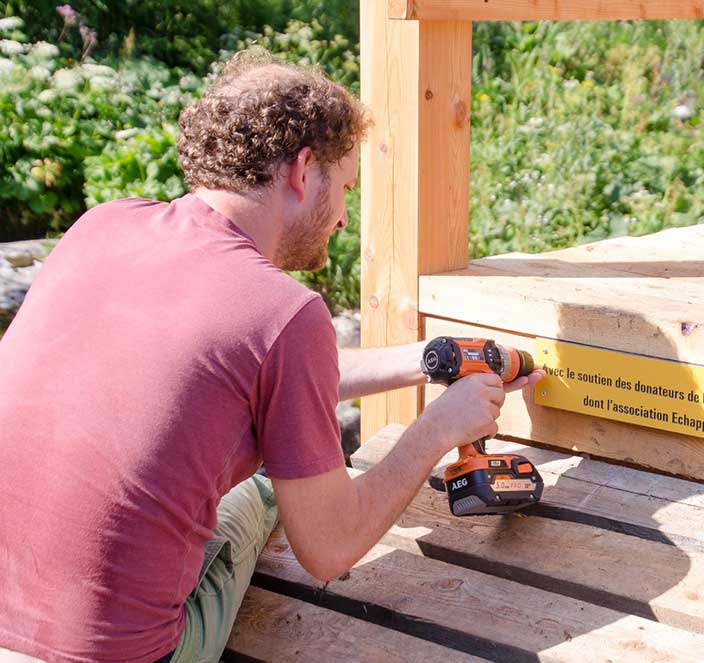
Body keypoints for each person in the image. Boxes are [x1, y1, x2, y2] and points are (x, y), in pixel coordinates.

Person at [0, 48, 544, 663]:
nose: (342, 218)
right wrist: (439, 428)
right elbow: (329, 549)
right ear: (303, 170)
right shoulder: (283, 311)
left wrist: (427, 358)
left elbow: (236, 373)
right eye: (344, 189)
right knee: (260, 495)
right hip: (118, 654)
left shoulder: (103, 225)